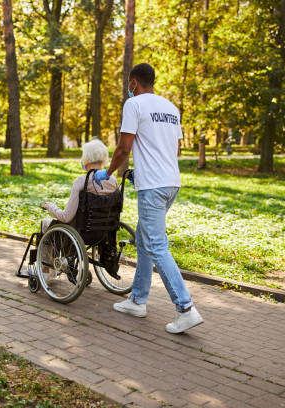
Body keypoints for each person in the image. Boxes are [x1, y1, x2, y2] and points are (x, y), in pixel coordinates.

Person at [93, 63, 203, 334]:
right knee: (143, 240)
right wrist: (142, 171)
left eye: (129, 84)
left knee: (155, 245)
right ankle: (138, 300)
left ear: (133, 83)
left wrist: (107, 173)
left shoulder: (134, 105)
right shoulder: (171, 108)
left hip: (152, 187)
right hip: (171, 184)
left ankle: (185, 308)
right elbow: (174, 149)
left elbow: (123, 147)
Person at [41, 139, 118, 231]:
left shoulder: (82, 181)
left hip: (83, 231)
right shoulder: (113, 180)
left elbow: (66, 217)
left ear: (86, 158)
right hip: (107, 230)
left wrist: (50, 206)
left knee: (46, 223)